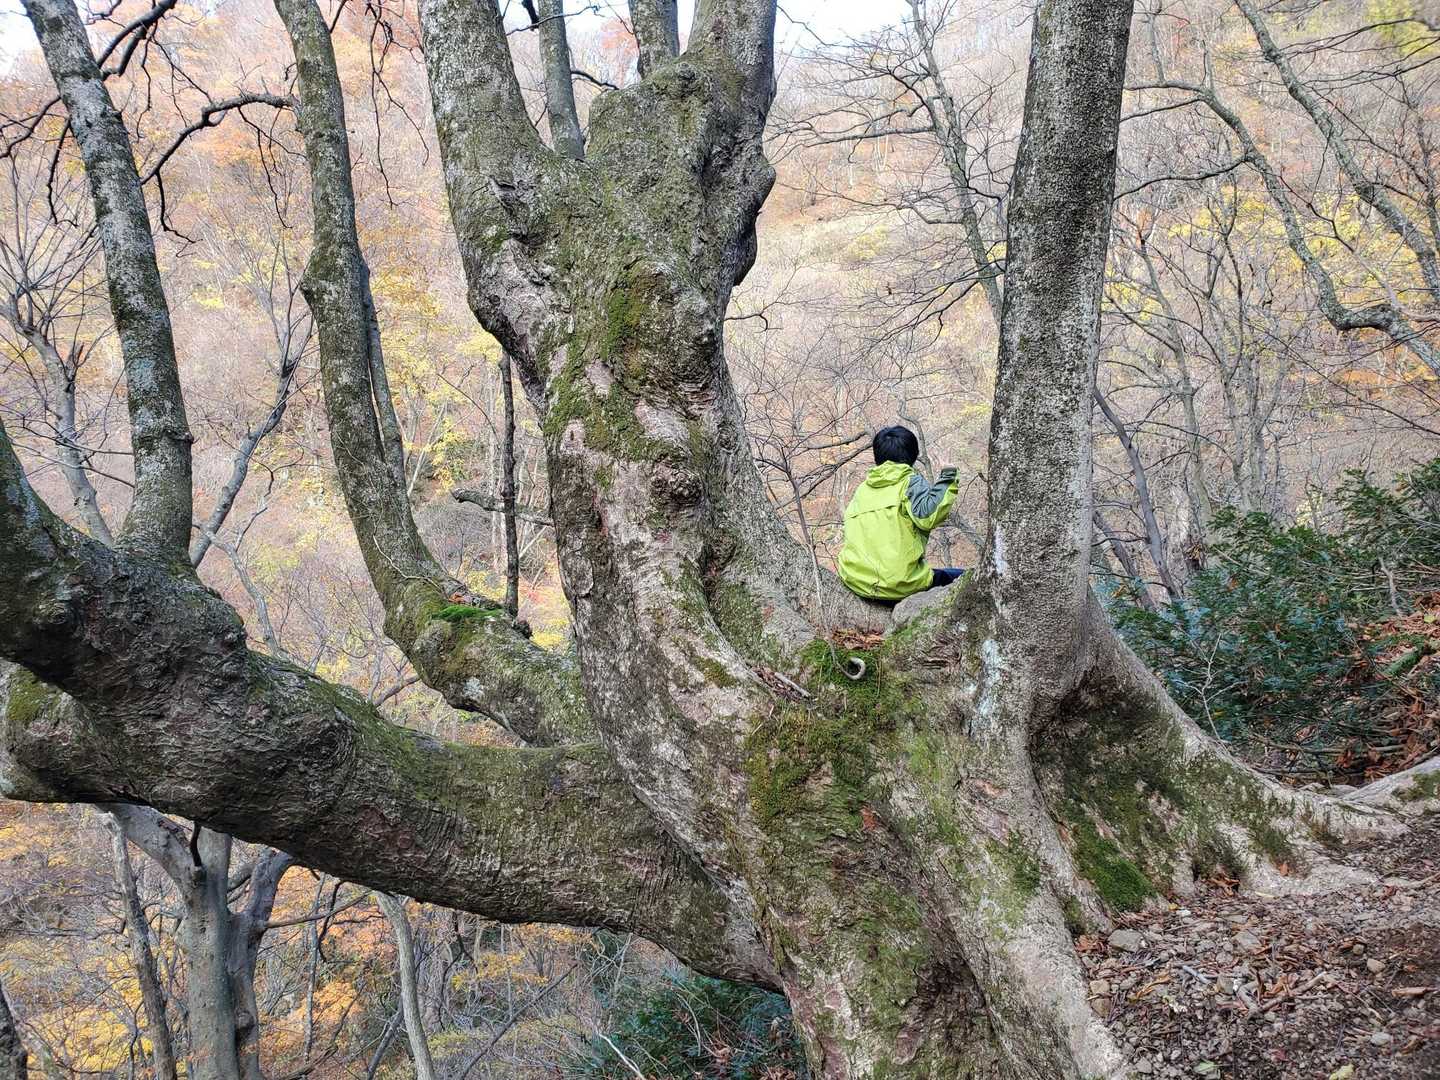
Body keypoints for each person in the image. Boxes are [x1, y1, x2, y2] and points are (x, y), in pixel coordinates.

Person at [837, 426, 965, 601]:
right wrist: (948, 476)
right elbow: (928, 516)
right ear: (913, 455)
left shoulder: (862, 489)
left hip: (855, 581)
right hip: (899, 585)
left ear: (877, 457)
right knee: (965, 577)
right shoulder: (909, 482)